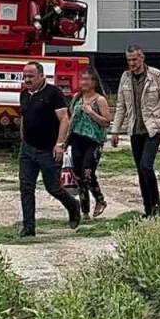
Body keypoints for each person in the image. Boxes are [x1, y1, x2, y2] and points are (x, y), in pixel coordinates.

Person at [110, 45, 160, 217]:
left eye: (134, 59)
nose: (132, 63)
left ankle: (156, 205)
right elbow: (121, 106)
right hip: (135, 128)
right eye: (129, 60)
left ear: (142, 58)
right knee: (140, 170)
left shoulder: (156, 76)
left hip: (154, 127)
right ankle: (148, 209)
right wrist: (115, 131)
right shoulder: (125, 78)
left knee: (146, 165)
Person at [18, 61, 82, 236]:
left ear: (41, 76)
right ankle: (28, 227)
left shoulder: (53, 93)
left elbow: (64, 120)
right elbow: (24, 117)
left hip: (48, 150)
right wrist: (23, 138)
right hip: (27, 149)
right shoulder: (24, 94)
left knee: (53, 187)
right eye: (25, 76)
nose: (27, 80)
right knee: (26, 187)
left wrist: (60, 144)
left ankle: (73, 205)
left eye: (31, 76)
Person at [68, 66, 110, 220]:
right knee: (78, 176)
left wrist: (91, 113)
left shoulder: (100, 100)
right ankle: (84, 210)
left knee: (88, 173)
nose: (83, 82)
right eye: (82, 79)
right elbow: (71, 118)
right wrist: (64, 141)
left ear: (94, 82)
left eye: (87, 79)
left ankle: (100, 200)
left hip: (93, 141)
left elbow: (106, 121)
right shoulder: (77, 98)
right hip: (77, 139)